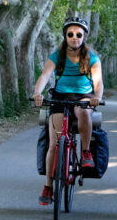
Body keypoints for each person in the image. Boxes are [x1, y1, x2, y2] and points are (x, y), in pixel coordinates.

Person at [32, 17, 104, 206]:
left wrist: (96, 95)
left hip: (83, 97)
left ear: (84, 37)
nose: (74, 38)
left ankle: (86, 152)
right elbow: (45, 75)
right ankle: (48, 186)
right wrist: (37, 93)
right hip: (60, 97)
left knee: (84, 112)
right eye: (70, 34)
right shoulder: (57, 56)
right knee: (54, 144)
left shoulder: (92, 58)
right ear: (65, 36)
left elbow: (98, 82)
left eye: (78, 35)